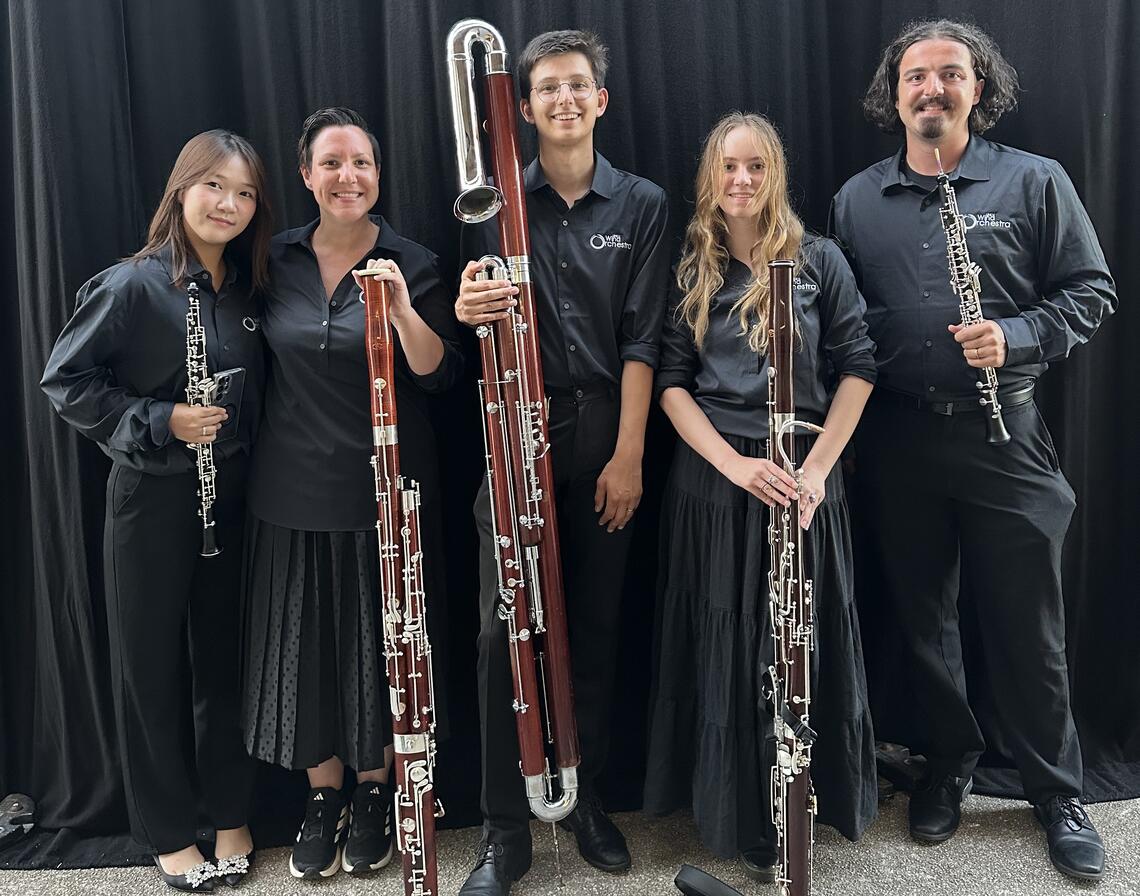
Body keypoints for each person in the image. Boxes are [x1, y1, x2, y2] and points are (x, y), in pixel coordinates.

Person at [830, 19, 1116, 882]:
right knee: (924, 620)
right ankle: (947, 765)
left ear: (976, 89)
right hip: (899, 437)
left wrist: (1019, 334)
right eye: (916, 77)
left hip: (1007, 433)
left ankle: (1056, 792)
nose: (932, 90)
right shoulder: (855, 198)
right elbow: (839, 323)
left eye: (950, 75)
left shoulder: (1035, 181)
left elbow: (1092, 291)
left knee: (1029, 626)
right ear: (896, 93)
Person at [452, 29, 670, 896]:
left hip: (602, 438)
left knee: (597, 625)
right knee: (502, 637)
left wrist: (628, 455)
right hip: (514, 438)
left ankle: (581, 798)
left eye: (578, 86)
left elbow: (646, 338)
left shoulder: (644, 204)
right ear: (525, 105)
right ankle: (506, 830)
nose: (565, 100)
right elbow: (479, 315)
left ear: (601, 100)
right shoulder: (492, 198)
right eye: (547, 89)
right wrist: (471, 306)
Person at [643, 112, 878, 881]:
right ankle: (741, 815)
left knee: (796, 645)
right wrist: (735, 468)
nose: (741, 181)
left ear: (775, 174)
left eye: (755, 167)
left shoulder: (820, 261)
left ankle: (803, 804)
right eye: (727, 168)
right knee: (731, 642)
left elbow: (858, 369)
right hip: (717, 482)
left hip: (806, 476)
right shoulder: (691, 266)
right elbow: (672, 390)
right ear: (709, 178)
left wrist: (817, 472)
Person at [41, 130, 272, 891]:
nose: (228, 204)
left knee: (225, 666)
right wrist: (162, 420)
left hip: (231, 501)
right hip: (154, 500)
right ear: (182, 190)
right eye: (214, 187)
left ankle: (232, 813)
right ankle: (169, 832)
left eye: (243, 193)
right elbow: (67, 381)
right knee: (150, 669)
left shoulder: (245, 289)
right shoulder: (132, 284)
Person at [240, 107, 462, 880]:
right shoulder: (274, 259)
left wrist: (399, 309)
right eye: (331, 164)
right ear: (306, 175)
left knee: (377, 648)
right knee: (303, 652)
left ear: (378, 174)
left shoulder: (414, 258)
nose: (347, 177)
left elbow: (436, 372)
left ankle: (377, 792)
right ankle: (322, 796)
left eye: (361, 163)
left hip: (384, 496)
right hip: (288, 489)